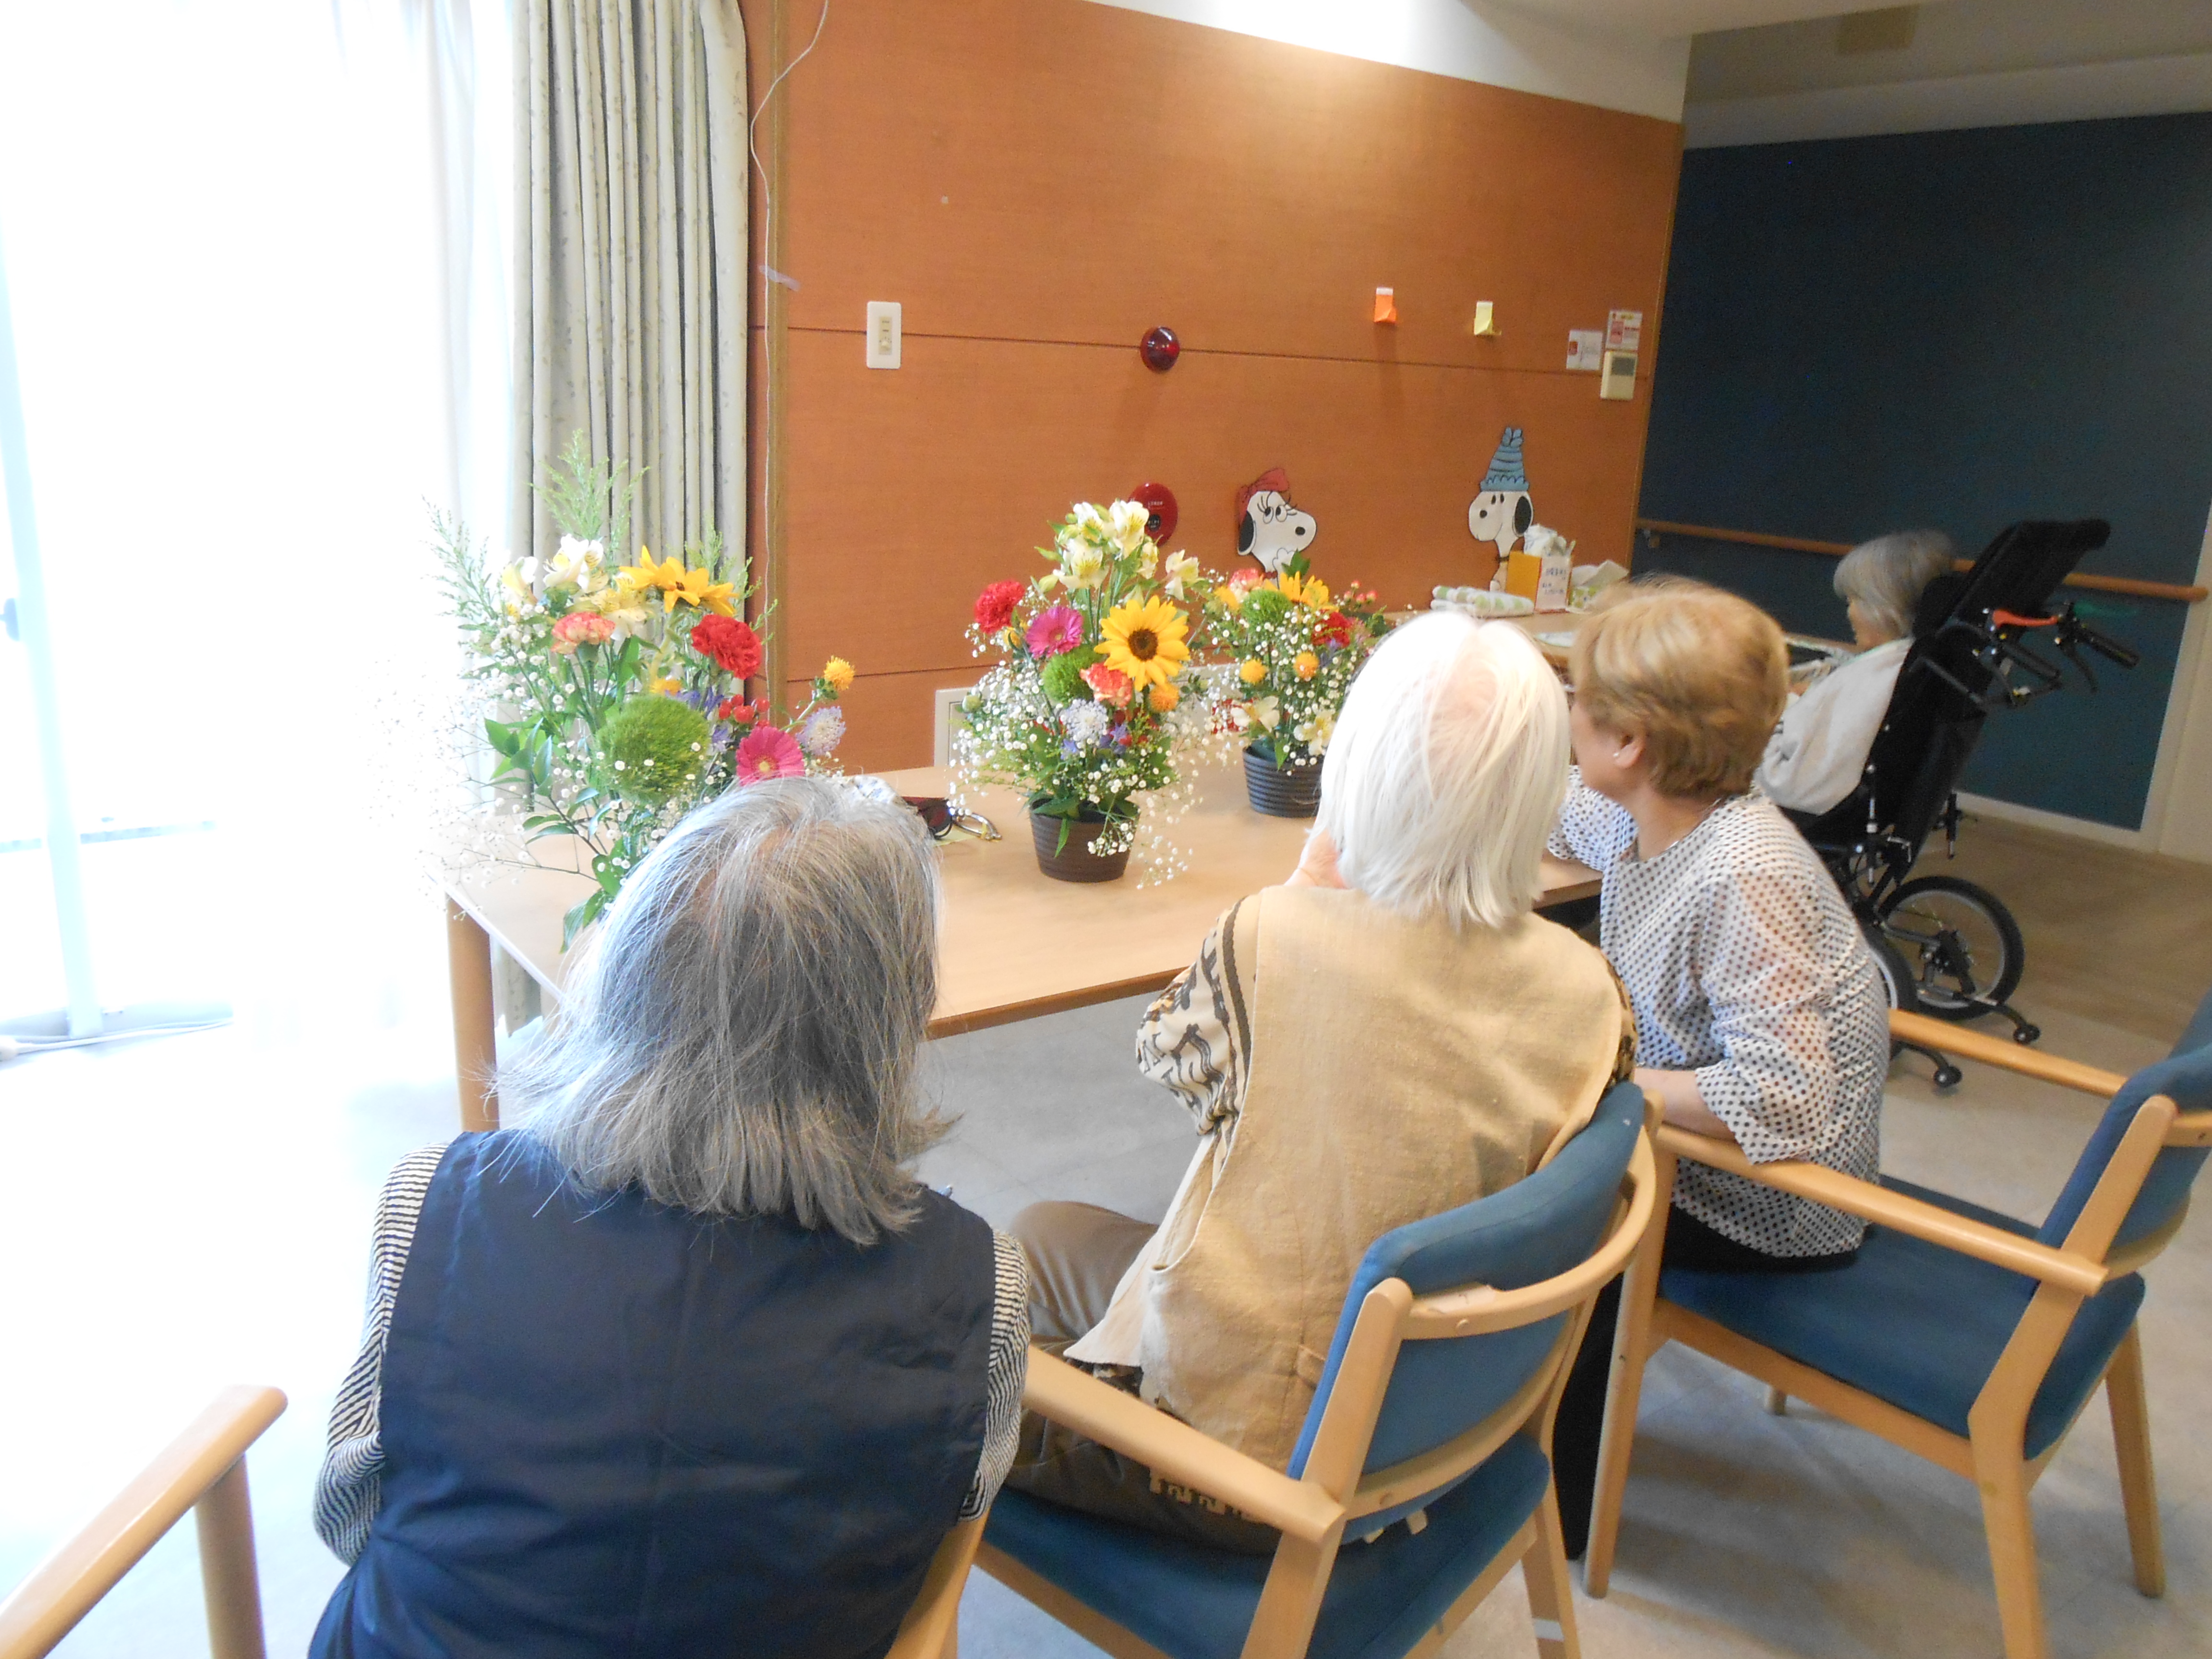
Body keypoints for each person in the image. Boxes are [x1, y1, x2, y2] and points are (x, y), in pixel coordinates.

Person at [309, 779, 1030, 1659]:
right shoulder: (980, 1284)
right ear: (888, 1023)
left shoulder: (432, 1203)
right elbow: (934, 1531)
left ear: (623, 970)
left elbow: (351, 1515)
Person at [1002, 613, 1636, 1552]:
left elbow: (1176, 1069)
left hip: (1248, 1462)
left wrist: (1306, 884)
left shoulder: (1275, 937)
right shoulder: (1594, 993)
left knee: (918, 1360)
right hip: (1432, 1412)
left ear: (1356, 775)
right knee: (1041, 1235)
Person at [1546, 580, 1890, 1556]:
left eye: (1576, 700)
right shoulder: (1661, 817)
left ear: (1629, 744)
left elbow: (1783, 1098)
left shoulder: (1744, 875)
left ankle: (1551, 1502)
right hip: (1709, 1154)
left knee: (1540, 1206)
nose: (1565, 712)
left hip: (1770, 1200)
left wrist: (1601, 1080)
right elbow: (1566, 815)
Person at [1756, 529, 1959, 816]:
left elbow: (1794, 786)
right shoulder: (1911, 666)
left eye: (1853, 601)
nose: (1849, 613)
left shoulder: (1873, 678)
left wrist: (1781, 703)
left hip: (1790, 809)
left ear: (1882, 608)